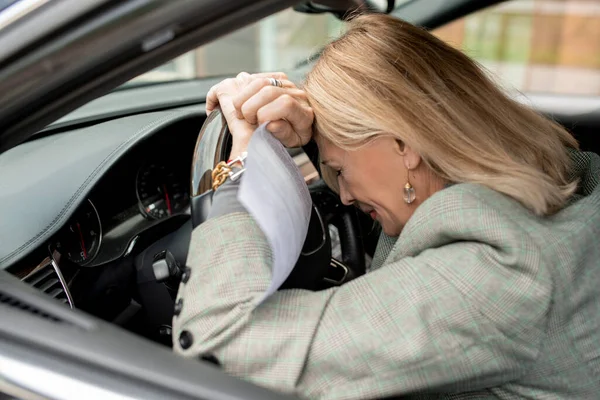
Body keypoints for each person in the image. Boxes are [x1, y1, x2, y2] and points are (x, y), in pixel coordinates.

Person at [173, 14, 600, 399]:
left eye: (339, 170)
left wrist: (241, 169)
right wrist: (311, 141)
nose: (342, 197)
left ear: (402, 144)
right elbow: (386, 183)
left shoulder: (499, 276)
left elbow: (219, 347)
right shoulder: (567, 181)